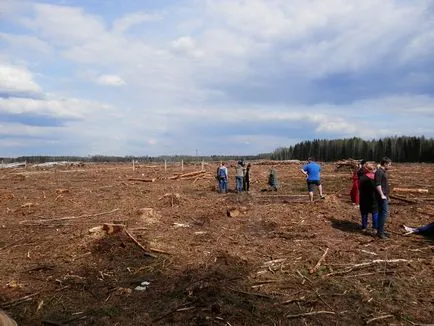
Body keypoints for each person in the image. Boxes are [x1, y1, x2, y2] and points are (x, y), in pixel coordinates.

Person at [358, 162, 378, 234]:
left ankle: (364, 227)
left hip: (364, 197)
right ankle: (375, 228)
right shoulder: (376, 177)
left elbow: (359, 187)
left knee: (364, 212)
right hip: (374, 197)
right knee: (375, 212)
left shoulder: (363, 178)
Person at [375, 157, 392, 239]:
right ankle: (380, 233)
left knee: (382, 213)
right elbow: (378, 185)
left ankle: (380, 230)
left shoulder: (383, 171)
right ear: (385, 164)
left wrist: (387, 196)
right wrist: (382, 195)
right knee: (384, 213)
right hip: (381, 196)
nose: (390, 166)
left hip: (385, 196)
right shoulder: (379, 172)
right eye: (389, 164)